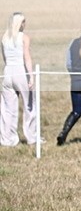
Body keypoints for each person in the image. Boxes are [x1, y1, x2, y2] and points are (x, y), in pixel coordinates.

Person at [0, 12, 39, 146]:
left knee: (7, 108)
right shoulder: (24, 37)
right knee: (30, 106)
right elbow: (26, 57)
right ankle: (32, 136)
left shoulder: (4, 37)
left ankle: (8, 139)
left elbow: (4, 57)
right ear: (19, 23)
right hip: (20, 71)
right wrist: (31, 76)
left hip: (8, 72)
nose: (25, 24)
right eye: (23, 21)